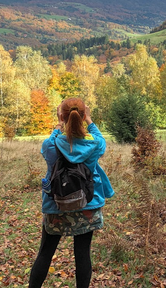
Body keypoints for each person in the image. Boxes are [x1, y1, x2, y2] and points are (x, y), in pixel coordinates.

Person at [29, 97, 114, 288]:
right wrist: (89, 120)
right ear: (83, 115)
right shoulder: (93, 144)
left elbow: (47, 145)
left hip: (55, 205)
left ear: (62, 116)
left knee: (45, 252)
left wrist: (58, 125)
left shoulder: (52, 144)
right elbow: (101, 140)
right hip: (87, 205)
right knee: (82, 254)